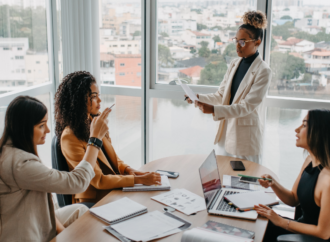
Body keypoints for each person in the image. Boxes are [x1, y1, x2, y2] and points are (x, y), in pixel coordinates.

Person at [0, 96, 111, 241]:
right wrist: (95, 140)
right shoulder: (20, 164)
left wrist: (62, 231)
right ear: (24, 128)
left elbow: (47, 204)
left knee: (81, 210)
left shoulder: (12, 150)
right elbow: (77, 182)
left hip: (35, 217)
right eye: (41, 125)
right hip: (24, 235)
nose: (47, 130)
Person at [55, 71, 161, 204]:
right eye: (93, 96)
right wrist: (138, 180)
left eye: (98, 95)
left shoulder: (95, 120)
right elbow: (98, 181)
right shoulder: (69, 137)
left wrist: (128, 170)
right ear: (78, 100)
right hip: (92, 201)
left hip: (111, 190)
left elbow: (112, 158)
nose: (99, 100)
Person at [185, 10, 271, 164]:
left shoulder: (263, 71)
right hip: (225, 135)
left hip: (246, 141)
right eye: (236, 40)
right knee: (223, 178)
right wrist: (198, 97)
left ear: (257, 42)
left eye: (243, 42)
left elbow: (246, 107)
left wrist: (213, 110)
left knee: (246, 183)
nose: (237, 45)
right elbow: (221, 95)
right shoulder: (234, 63)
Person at [255, 109, 330, 241]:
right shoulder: (309, 160)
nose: (297, 129)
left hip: (312, 238)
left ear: (319, 132)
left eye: (304, 125)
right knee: (257, 223)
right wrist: (273, 184)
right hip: (300, 226)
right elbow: (293, 199)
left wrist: (280, 221)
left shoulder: (327, 180)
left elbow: (323, 232)